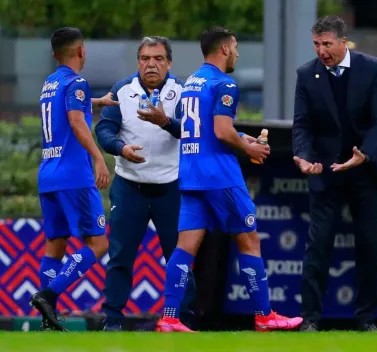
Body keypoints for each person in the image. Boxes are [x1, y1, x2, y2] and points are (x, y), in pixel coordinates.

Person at [138, 26, 303, 333]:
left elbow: (202, 131)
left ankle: (170, 318)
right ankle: (264, 316)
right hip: (219, 176)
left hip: (190, 174)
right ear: (225, 49)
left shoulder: (192, 83)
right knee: (249, 240)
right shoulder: (225, 84)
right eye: (236, 47)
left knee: (185, 247)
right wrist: (247, 146)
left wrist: (242, 138)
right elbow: (221, 132)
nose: (238, 53)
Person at [292, 16, 377, 332]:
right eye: (316, 44)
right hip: (326, 172)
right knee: (318, 245)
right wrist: (303, 157)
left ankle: (367, 319)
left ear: (342, 41)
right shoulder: (307, 75)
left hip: (365, 171)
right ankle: (310, 318)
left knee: (368, 245)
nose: (321, 51)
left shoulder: (372, 68)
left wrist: (364, 154)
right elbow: (302, 125)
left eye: (326, 44)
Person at [95, 36, 196, 331]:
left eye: (159, 58)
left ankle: (181, 318)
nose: (151, 64)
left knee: (179, 257)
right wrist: (120, 148)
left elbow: (192, 132)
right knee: (120, 257)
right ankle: (112, 320)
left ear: (169, 63)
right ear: (138, 62)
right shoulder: (122, 90)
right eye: (145, 58)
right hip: (130, 186)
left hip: (171, 187)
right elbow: (104, 129)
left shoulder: (183, 91)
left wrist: (165, 121)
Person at [30, 27, 118, 331]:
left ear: (55, 54)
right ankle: (48, 295)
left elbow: (69, 105)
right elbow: (75, 119)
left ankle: (47, 320)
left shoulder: (50, 84)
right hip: (74, 176)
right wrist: (98, 157)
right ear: (81, 51)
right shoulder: (77, 82)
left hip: (48, 175)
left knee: (55, 244)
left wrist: (96, 102)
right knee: (98, 243)